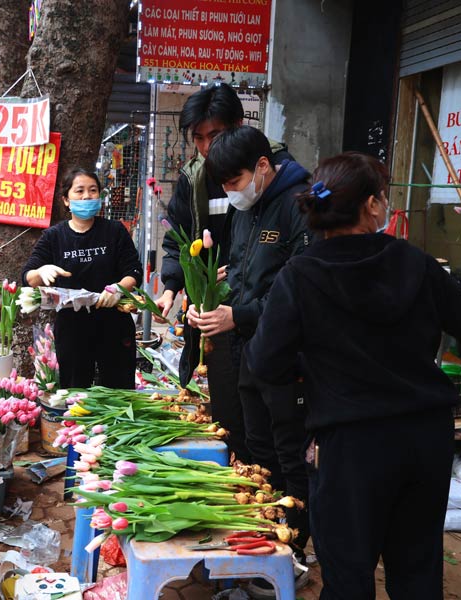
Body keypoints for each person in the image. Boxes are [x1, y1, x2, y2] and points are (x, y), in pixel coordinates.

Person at [246, 156, 461, 599]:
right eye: (383, 196)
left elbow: (265, 363)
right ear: (372, 206)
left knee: (348, 577)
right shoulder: (416, 264)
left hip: (351, 447)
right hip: (424, 442)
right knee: (417, 573)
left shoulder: (300, 276)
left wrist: (311, 380)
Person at [187, 126, 312, 589]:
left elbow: (297, 292)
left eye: (234, 180)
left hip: (286, 359)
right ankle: (264, 542)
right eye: (222, 186)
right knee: (257, 452)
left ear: (263, 166)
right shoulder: (247, 208)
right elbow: (247, 270)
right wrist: (218, 290)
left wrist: (237, 314)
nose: (230, 193)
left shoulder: (300, 203)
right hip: (249, 354)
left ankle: (293, 552)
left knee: (288, 455)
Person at [154, 83, 292, 464]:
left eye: (213, 135)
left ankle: (265, 487)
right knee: (229, 409)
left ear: (237, 125)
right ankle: (243, 478)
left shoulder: (273, 176)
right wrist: (173, 285)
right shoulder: (195, 177)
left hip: (257, 311)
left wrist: (242, 273)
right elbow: (179, 238)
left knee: (264, 424)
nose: (204, 147)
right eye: (197, 138)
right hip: (215, 308)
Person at [22, 168, 142, 389]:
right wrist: (41, 272)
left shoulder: (114, 231)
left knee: (119, 390)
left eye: (93, 190)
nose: (87, 196)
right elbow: (27, 277)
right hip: (73, 329)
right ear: (66, 200)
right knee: (76, 391)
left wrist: (117, 288)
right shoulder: (54, 236)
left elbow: (134, 271)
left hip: (114, 325)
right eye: (79, 191)